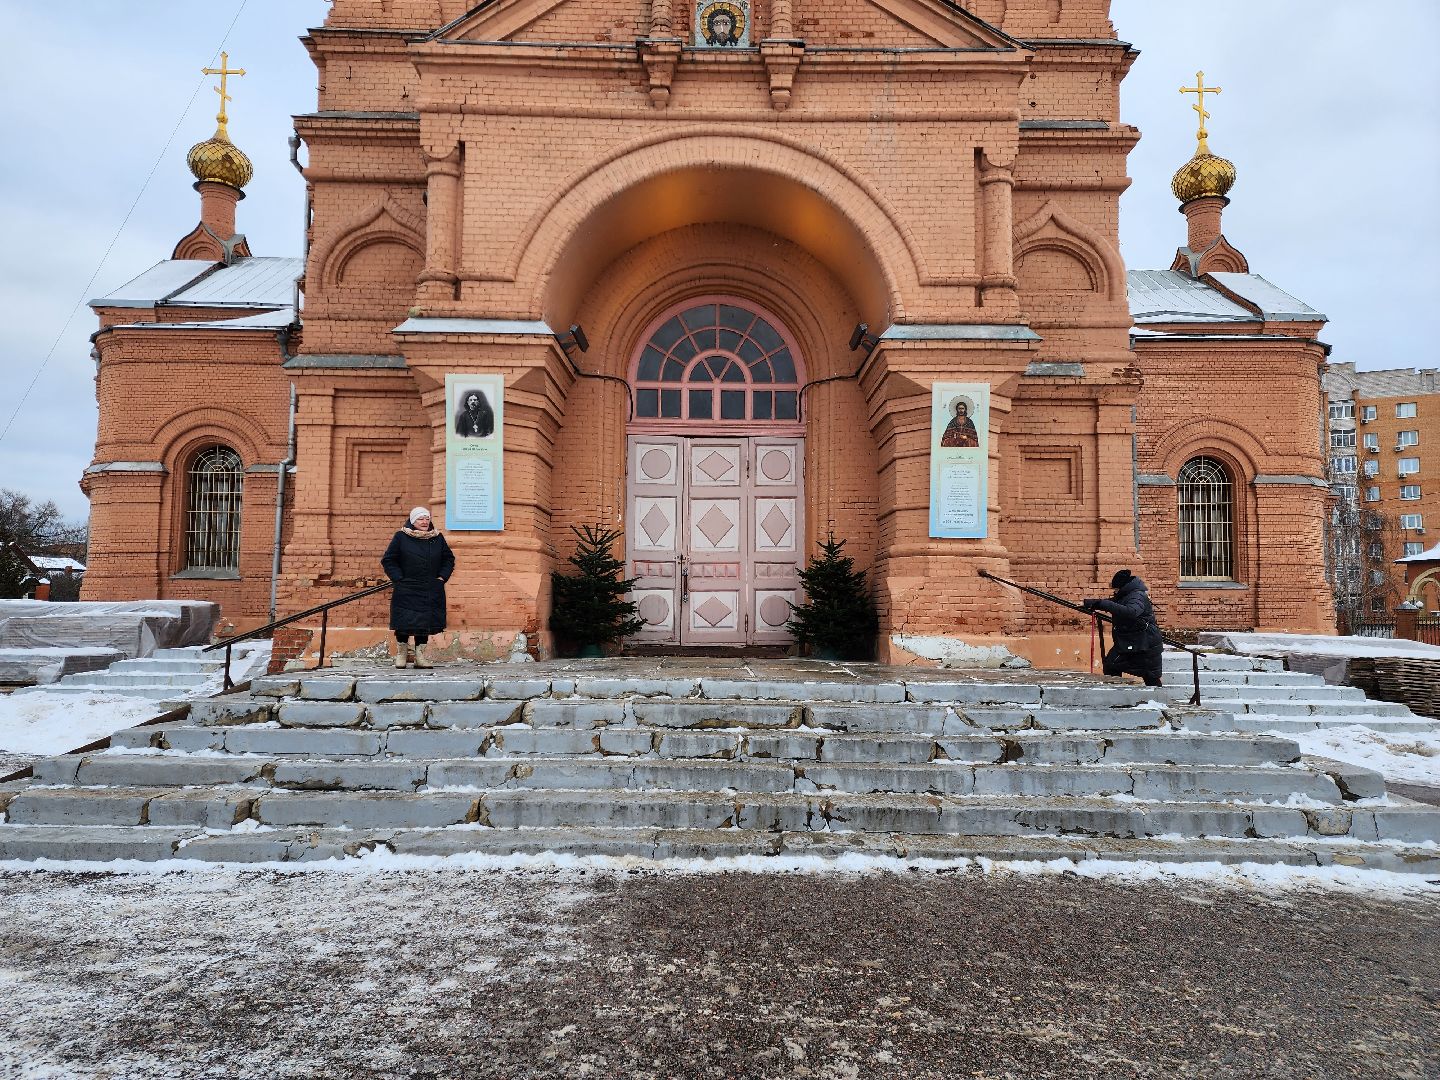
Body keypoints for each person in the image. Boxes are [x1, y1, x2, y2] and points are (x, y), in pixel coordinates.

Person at [381, 507, 454, 669]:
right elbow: (389, 559)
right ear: (413, 521)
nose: (424, 521)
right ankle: (401, 654)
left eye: (427, 518)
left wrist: (441, 578)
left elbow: (448, 559)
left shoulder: (437, 537)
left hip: (430, 587)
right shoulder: (401, 536)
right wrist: (398, 578)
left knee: (424, 623)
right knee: (403, 622)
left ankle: (420, 657)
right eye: (421, 519)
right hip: (406, 587)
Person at [1083, 569, 1164, 686]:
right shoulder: (1128, 594)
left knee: (1150, 676)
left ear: (1123, 586)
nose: (1115, 591)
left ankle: (1158, 701)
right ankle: (1119, 697)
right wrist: (1093, 603)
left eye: (1116, 588)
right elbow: (1114, 603)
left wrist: (1102, 604)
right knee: (1111, 666)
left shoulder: (1137, 596)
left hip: (1145, 644)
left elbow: (1131, 611)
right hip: (1134, 642)